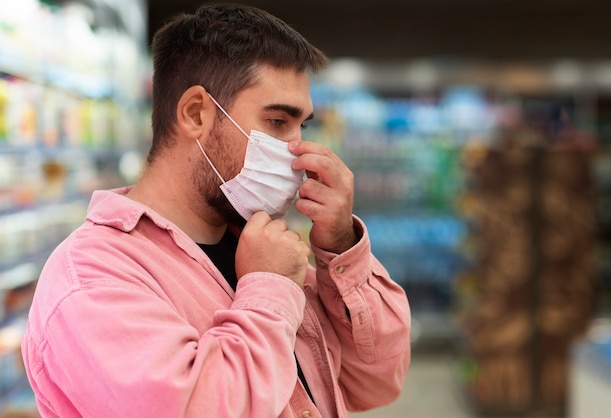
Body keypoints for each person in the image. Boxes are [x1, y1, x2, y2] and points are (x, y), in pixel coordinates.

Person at [21, 3, 412, 417]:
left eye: (303, 127)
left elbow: (377, 380)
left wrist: (340, 245)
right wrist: (268, 289)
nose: (300, 153)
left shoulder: (259, 247)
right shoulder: (93, 277)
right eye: (278, 122)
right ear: (195, 114)